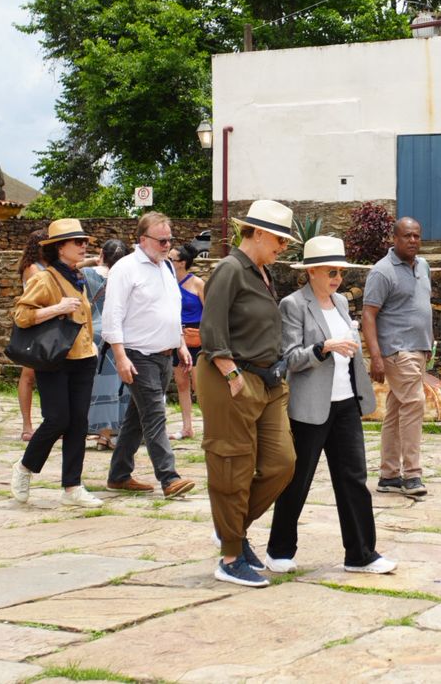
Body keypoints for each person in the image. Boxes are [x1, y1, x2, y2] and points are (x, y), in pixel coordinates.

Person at [265, 236, 395, 575]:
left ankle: (361, 554)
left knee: (354, 478)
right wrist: (323, 347)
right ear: (311, 272)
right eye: (330, 271)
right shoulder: (293, 305)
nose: (337, 277)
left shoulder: (340, 302)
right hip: (310, 407)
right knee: (298, 479)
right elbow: (290, 358)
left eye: (340, 271)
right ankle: (279, 550)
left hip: (345, 403)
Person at [195, 199, 299, 587]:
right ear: (254, 232)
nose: (283, 247)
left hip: (266, 380)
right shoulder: (229, 268)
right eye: (279, 239)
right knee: (232, 466)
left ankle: (231, 531)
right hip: (232, 378)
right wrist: (230, 370)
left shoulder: (259, 272)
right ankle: (230, 555)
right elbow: (211, 325)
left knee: (282, 464)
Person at [101, 212, 196, 499]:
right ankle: (169, 477)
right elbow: (112, 316)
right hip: (138, 354)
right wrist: (120, 356)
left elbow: (170, 309)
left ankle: (118, 475)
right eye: (162, 240)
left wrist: (180, 343)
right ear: (143, 240)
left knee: (136, 417)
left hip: (164, 354)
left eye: (170, 239)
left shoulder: (165, 268)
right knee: (155, 415)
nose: (168, 245)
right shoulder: (126, 269)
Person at [10, 219, 103, 509]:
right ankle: (25, 467)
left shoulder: (78, 277)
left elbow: (85, 315)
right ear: (60, 248)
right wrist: (57, 308)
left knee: (79, 423)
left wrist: (92, 346)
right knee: (57, 419)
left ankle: (72, 487)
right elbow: (21, 316)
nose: (83, 245)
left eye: (84, 241)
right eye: (77, 242)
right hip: (55, 359)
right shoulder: (45, 278)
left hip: (83, 358)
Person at [362, 217, 433, 497]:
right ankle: (412, 475)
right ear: (394, 238)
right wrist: (375, 357)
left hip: (418, 348)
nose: (412, 240)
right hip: (397, 350)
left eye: (416, 235)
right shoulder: (382, 272)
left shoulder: (424, 266)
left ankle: (389, 475)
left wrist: (428, 343)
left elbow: (421, 306)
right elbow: (369, 314)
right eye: (406, 236)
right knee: (415, 403)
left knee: (395, 409)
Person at [83, 239, 130, 451]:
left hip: (95, 334)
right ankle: (112, 435)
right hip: (120, 334)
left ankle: (101, 433)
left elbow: (72, 268)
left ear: (103, 254)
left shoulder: (89, 275)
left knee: (99, 385)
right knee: (117, 385)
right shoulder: (128, 278)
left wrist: (93, 259)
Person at [169, 243, 205, 441]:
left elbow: (209, 310)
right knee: (182, 383)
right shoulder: (167, 282)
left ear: (182, 263)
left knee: (199, 385)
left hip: (195, 337)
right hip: (176, 336)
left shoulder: (197, 283)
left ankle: (211, 425)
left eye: (171, 259)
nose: (168, 262)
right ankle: (187, 427)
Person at [15, 229, 46, 441]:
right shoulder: (33, 269)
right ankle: (27, 425)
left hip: (45, 326)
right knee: (29, 375)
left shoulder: (44, 267)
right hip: (35, 326)